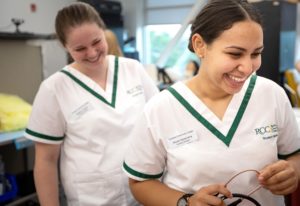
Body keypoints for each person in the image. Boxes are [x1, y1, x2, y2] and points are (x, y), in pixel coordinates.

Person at [122, 0, 300, 206]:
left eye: (256, 53)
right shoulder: (161, 109)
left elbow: (294, 154)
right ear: (200, 45)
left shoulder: (271, 94)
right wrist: (184, 202)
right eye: (235, 53)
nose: (248, 67)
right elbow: (140, 183)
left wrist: (293, 171)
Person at [25, 2, 158, 206]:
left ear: (104, 32)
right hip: (93, 197)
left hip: (144, 190)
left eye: (97, 42)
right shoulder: (54, 88)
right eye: (80, 48)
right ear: (64, 46)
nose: (92, 53)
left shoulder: (132, 69)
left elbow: (159, 124)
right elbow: (45, 160)